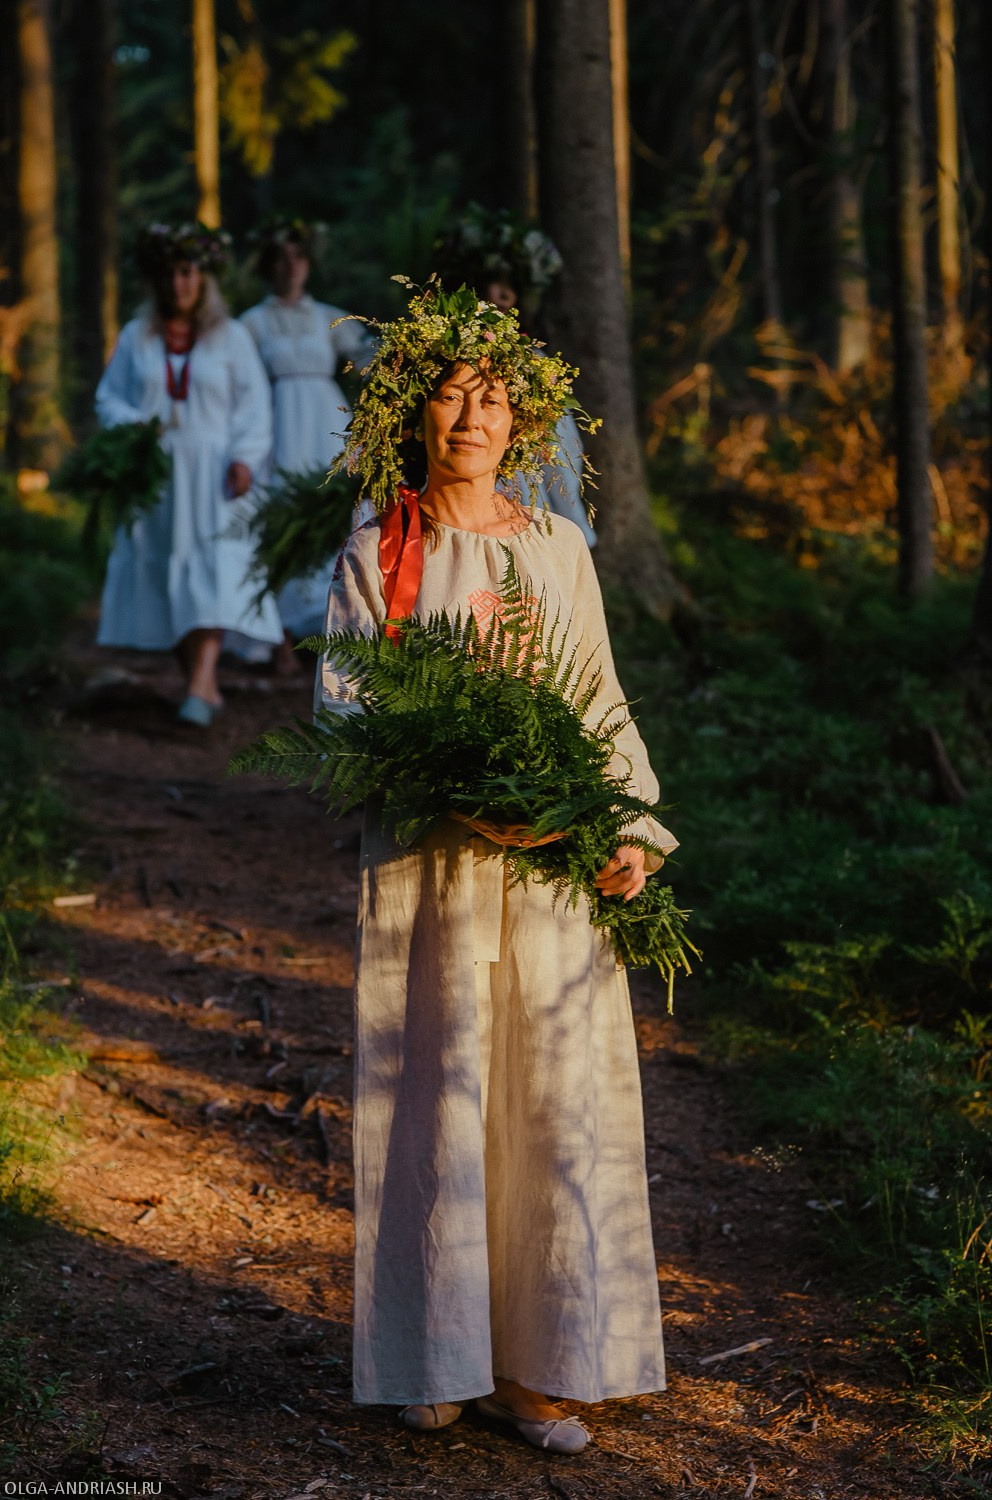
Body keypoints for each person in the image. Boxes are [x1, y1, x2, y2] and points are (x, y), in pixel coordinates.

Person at [314, 285, 678, 1454]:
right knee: (440, 1095)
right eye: (449, 392)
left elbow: (596, 695)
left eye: (490, 395)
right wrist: (461, 790)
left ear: (522, 421)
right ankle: (439, 1353)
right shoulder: (383, 546)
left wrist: (623, 825)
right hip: (435, 862)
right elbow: (345, 705)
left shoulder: (558, 545)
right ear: (415, 413)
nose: (468, 412)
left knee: (546, 1098)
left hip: (552, 863)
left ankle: (540, 1367)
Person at [95, 221, 280, 726]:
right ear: (158, 280)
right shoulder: (137, 336)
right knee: (166, 571)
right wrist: (136, 429)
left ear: (204, 278)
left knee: (215, 569)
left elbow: (255, 405)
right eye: (171, 273)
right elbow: (108, 397)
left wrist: (246, 456)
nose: (181, 283)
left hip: (216, 472)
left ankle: (200, 684)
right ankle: (202, 681)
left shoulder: (232, 336)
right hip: (158, 472)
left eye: (189, 272)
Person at [238, 217, 374, 661]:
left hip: (325, 420)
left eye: (298, 256)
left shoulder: (327, 316)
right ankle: (278, 633)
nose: (290, 266)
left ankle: (337, 624)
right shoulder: (253, 324)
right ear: (268, 265)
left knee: (336, 511)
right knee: (280, 513)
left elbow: (367, 355)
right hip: (278, 420)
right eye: (281, 258)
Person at [432, 203, 595, 546]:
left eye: (508, 286)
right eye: (488, 284)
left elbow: (559, 449)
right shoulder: (444, 355)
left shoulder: (533, 363)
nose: (498, 295)